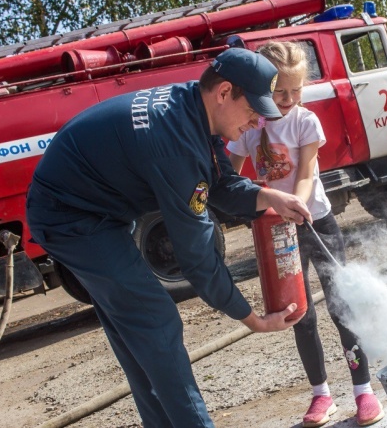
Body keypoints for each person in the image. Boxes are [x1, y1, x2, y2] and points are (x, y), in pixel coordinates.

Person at [26, 48, 311, 428]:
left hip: (96, 208)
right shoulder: (174, 141)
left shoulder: (192, 109)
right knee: (155, 320)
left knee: (138, 330)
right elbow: (197, 254)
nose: (258, 121)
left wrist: (267, 195)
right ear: (224, 92)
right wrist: (252, 319)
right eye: (253, 110)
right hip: (72, 218)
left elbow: (221, 181)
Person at [228, 41, 385, 427]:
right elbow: (229, 174)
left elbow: (305, 175)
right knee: (300, 313)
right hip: (278, 233)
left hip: (317, 222)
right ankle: (321, 395)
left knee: (341, 306)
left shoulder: (305, 121)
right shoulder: (252, 125)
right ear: (264, 87)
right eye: (280, 91)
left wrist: (294, 208)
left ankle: (363, 390)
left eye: (296, 90)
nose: (288, 98)